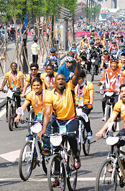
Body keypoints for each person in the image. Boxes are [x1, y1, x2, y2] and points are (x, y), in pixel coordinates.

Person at [39, 57, 83, 185]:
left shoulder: (70, 87)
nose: (61, 81)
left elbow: (76, 75)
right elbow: (47, 113)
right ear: (55, 82)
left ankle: (75, 154)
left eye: (63, 79)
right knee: (56, 149)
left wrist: (78, 65)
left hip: (71, 120)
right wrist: (43, 129)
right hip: (58, 122)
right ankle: (57, 177)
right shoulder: (49, 94)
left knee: (71, 137)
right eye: (58, 79)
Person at [15, 78, 52, 154]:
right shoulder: (30, 94)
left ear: (41, 85)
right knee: (31, 135)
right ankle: (34, 156)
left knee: (46, 130)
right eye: (34, 85)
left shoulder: (47, 94)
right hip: (38, 117)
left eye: (38, 85)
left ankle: (47, 147)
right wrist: (19, 115)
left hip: (47, 116)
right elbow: (24, 106)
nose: (36, 87)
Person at [75, 70, 94, 139]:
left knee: (84, 116)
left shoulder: (89, 84)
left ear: (83, 78)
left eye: (79, 78)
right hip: (76, 104)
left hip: (85, 105)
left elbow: (91, 96)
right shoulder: (74, 84)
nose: (78, 80)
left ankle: (89, 131)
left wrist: (90, 104)